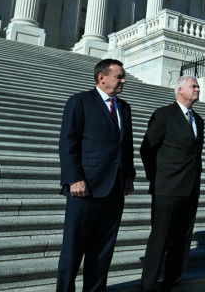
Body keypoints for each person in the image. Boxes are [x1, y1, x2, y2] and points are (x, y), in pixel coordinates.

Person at [56, 59, 135, 292]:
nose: (123, 80)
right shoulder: (80, 102)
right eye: (119, 76)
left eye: (123, 76)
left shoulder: (125, 107)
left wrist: (129, 176)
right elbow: (67, 142)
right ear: (102, 78)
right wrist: (74, 178)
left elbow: (126, 145)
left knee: (102, 251)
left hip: (114, 189)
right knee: (73, 249)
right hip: (85, 187)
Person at [139, 75, 204, 292]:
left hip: (190, 189)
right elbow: (147, 149)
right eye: (193, 86)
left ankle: (173, 285)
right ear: (180, 90)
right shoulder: (164, 114)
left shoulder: (198, 120)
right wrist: (156, 178)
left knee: (182, 241)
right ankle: (148, 286)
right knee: (160, 240)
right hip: (167, 188)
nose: (198, 89)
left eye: (197, 87)